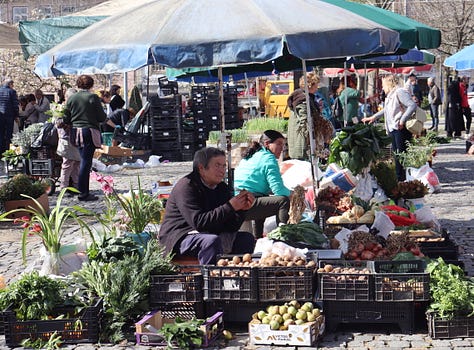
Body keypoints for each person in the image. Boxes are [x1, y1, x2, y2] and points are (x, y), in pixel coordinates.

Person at [158, 147, 256, 265]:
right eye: (217, 166)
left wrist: (241, 210)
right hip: (180, 237)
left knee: (246, 239)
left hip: (209, 233)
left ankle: (237, 278)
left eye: (223, 166)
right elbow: (199, 222)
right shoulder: (187, 187)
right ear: (201, 168)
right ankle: (210, 280)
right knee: (211, 241)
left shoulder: (222, 188)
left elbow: (230, 227)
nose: (222, 170)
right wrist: (230, 206)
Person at [234, 130, 291, 238]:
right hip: (245, 203)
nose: (282, 148)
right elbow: (278, 190)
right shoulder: (268, 158)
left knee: (264, 198)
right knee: (283, 201)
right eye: (279, 144)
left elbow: (258, 184)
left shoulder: (252, 155)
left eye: (283, 145)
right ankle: (283, 237)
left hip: (238, 200)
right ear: (267, 144)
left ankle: (258, 238)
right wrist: (292, 194)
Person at [362, 74, 417, 181]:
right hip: (393, 128)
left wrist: (402, 120)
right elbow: (386, 109)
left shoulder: (399, 92)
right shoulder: (391, 95)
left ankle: (401, 179)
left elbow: (412, 105)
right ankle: (400, 179)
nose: (382, 88)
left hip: (400, 129)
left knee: (400, 155)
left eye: (383, 85)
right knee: (396, 154)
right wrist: (373, 117)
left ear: (389, 84)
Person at [63, 75, 107, 201]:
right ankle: (84, 193)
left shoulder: (72, 98)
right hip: (89, 131)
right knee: (86, 162)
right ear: (91, 85)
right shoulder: (92, 97)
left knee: (83, 160)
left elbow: (66, 117)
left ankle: (82, 190)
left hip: (76, 132)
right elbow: (101, 117)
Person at [287, 72, 333, 160]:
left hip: (302, 142)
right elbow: (304, 122)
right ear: (309, 85)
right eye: (316, 85)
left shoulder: (306, 98)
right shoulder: (302, 100)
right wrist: (312, 141)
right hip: (301, 144)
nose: (317, 88)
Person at [56, 88, 81, 193]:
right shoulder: (61, 109)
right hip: (67, 139)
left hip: (76, 138)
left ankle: (76, 185)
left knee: (77, 163)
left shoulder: (77, 108)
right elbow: (57, 123)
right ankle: (64, 187)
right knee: (67, 163)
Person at [0, 78, 19, 155]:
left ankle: (1, 151)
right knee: (9, 134)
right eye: (12, 84)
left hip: (0, 115)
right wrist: (16, 115)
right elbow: (15, 105)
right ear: (10, 84)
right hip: (9, 115)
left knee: (0, 133)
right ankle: (8, 151)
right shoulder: (12, 92)